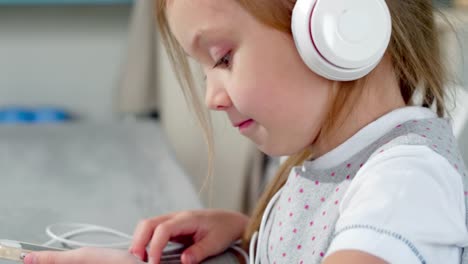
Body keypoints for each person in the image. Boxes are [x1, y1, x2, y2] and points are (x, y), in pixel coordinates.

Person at [24, 0, 468, 263]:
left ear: (335, 25)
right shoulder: (329, 160)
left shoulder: (406, 182)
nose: (211, 99)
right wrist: (246, 237)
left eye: (221, 59)